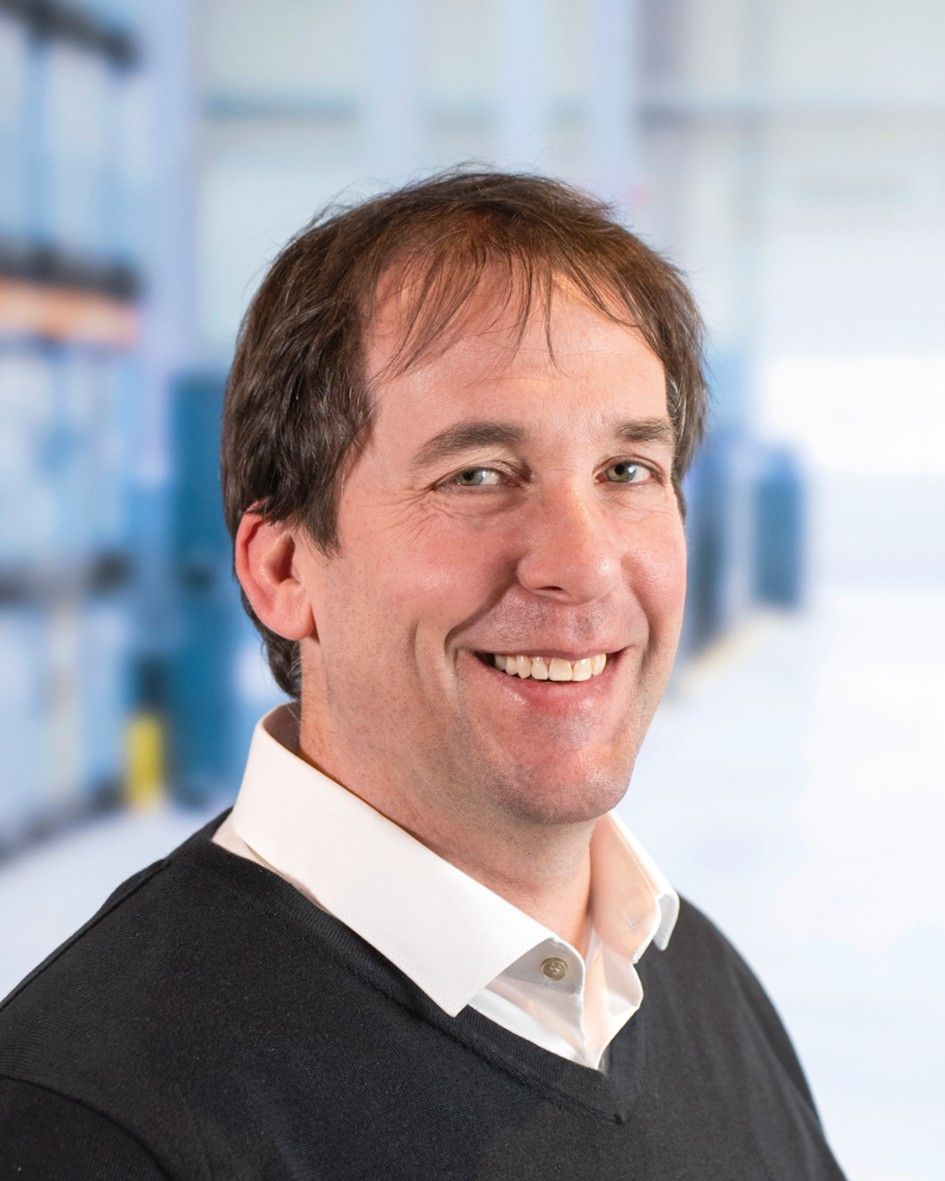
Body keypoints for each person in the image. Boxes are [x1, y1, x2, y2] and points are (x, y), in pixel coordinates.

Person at [0, 171, 846, 1179]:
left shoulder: (694, 979)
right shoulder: (88, 1121)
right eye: (478, 474)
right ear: (284, 569)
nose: (581, 562)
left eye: (628, 471)